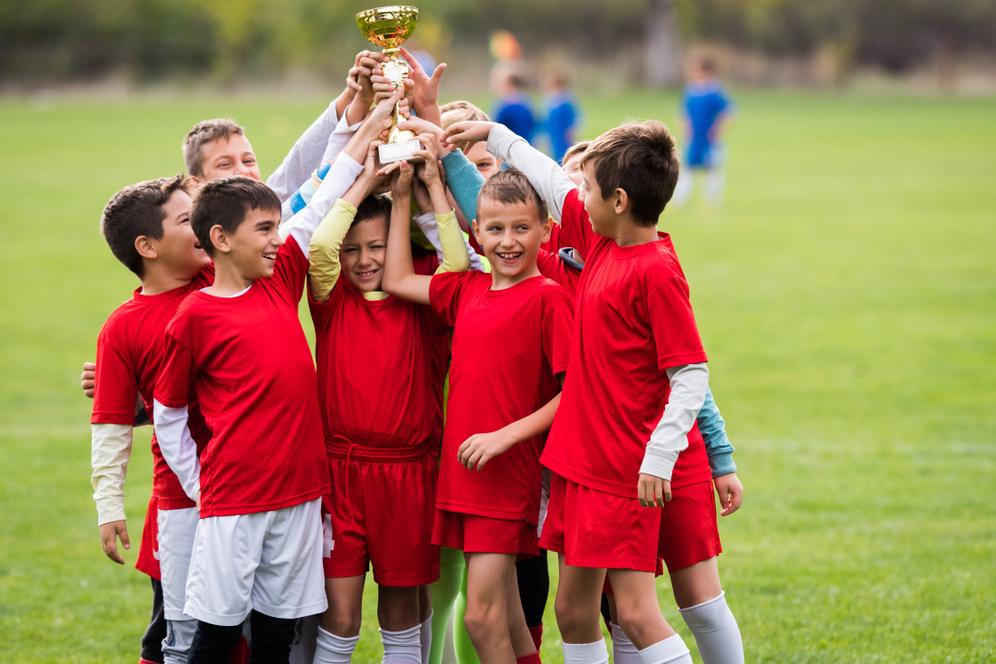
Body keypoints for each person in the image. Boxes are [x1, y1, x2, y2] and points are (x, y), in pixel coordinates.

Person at [445, 119, 744, 664]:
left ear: (620, 199)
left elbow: (691, 373)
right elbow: (551, 186)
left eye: (588, 188)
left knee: (632, 611)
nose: (576, 196)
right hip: (580, 463)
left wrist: (660, 453)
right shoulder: (603, 243)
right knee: (574, 610)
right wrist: (492, 130)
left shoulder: (655, 269)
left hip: (623, 464)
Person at [150, 110, 385, 658]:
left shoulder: (280, 279)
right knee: (219, 635)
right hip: (232, 501)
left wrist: (372, 120)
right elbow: (168, 412)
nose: (278, 240)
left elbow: (322, 196)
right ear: (221, 239)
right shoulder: (194, 316)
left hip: (301, 495)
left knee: (280, 633)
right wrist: (201, 483)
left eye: (278, 228)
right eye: (264, 231)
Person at [383, 164, 573, 664]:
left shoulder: (550, 300)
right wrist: (403, 196)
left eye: (520, 228)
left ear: (545, 230)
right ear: (476, 232)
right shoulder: (466, 290)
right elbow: (397, 278)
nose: (507, 242)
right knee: (507, 616)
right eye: (494, 229)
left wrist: (505, 437)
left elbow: (575, 394)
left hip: (505, 477)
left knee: (481, 618)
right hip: (463, 475)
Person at [307, 131, 468, 664]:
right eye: (354, 250)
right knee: (341, 613)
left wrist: (415, 196)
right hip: (340, 475)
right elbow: (320, 245)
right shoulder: (331, 298)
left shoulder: (423, 291)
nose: (363, 260)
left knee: (401, 612)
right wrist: (366, 181)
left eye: (375, 247)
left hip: (408, 475)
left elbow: (457, 263)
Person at [90, 176, 213, 664]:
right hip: (181, 503)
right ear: (148, 247)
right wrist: (108, 505)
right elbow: (110, 424)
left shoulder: (220, 281)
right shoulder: (122, 327)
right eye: (187, 220)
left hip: (256, 487)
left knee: (258, 627)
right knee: (178, 635)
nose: (202, 226)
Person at [672, 55, 734, 208]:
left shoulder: (715, 91)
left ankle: (711, 202)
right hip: (694, 139)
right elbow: (684, 112)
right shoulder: (691, 91)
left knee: (712, 169)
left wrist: (718, 129)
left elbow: (729, 112)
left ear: (706, 71)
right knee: (686, 169)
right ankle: (679, 201)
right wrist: (685, 128)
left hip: (709, 140)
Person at [542, 67, 580, 164]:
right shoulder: (550, 99)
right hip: (553, 134)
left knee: (563, 158)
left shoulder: (566, 99)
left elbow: (574, 120)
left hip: (563, 136)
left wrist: (571, 133)